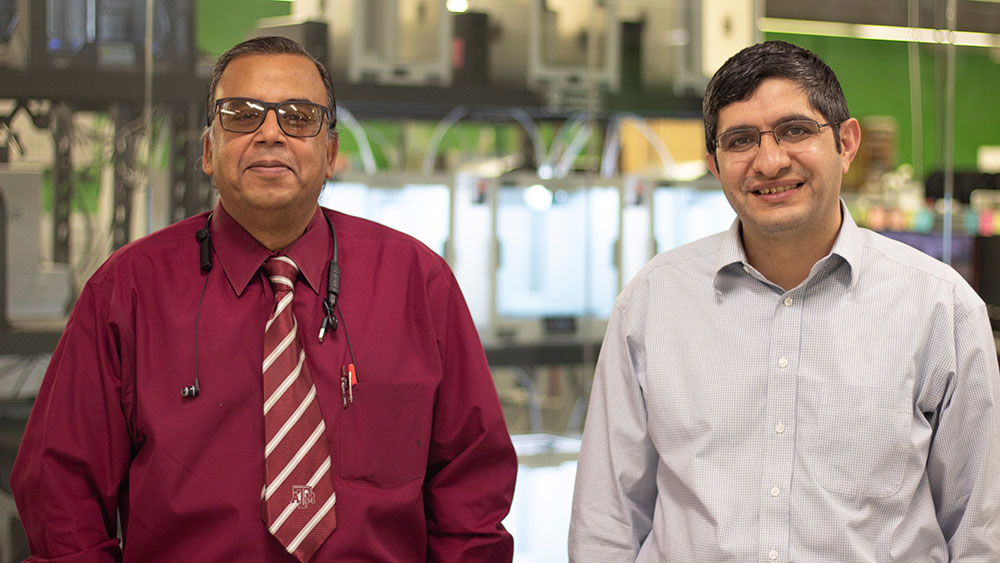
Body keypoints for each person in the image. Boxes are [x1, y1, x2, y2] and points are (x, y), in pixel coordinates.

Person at [11, 36, 517, 562]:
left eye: (298, 117)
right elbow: (61, 500)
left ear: (331, 154)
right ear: (208, 150)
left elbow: (471, 500)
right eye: (242, 115)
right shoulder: (127, 292)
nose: (270, 133)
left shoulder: (418, 284)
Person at [569, 40, 1000, 562]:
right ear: (714, 163)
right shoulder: (652, 303)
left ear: (846, 142)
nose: (770, 161)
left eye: (795, 130)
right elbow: (606, 522)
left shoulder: (942, 308)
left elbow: (981, 531)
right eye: (741, 140)